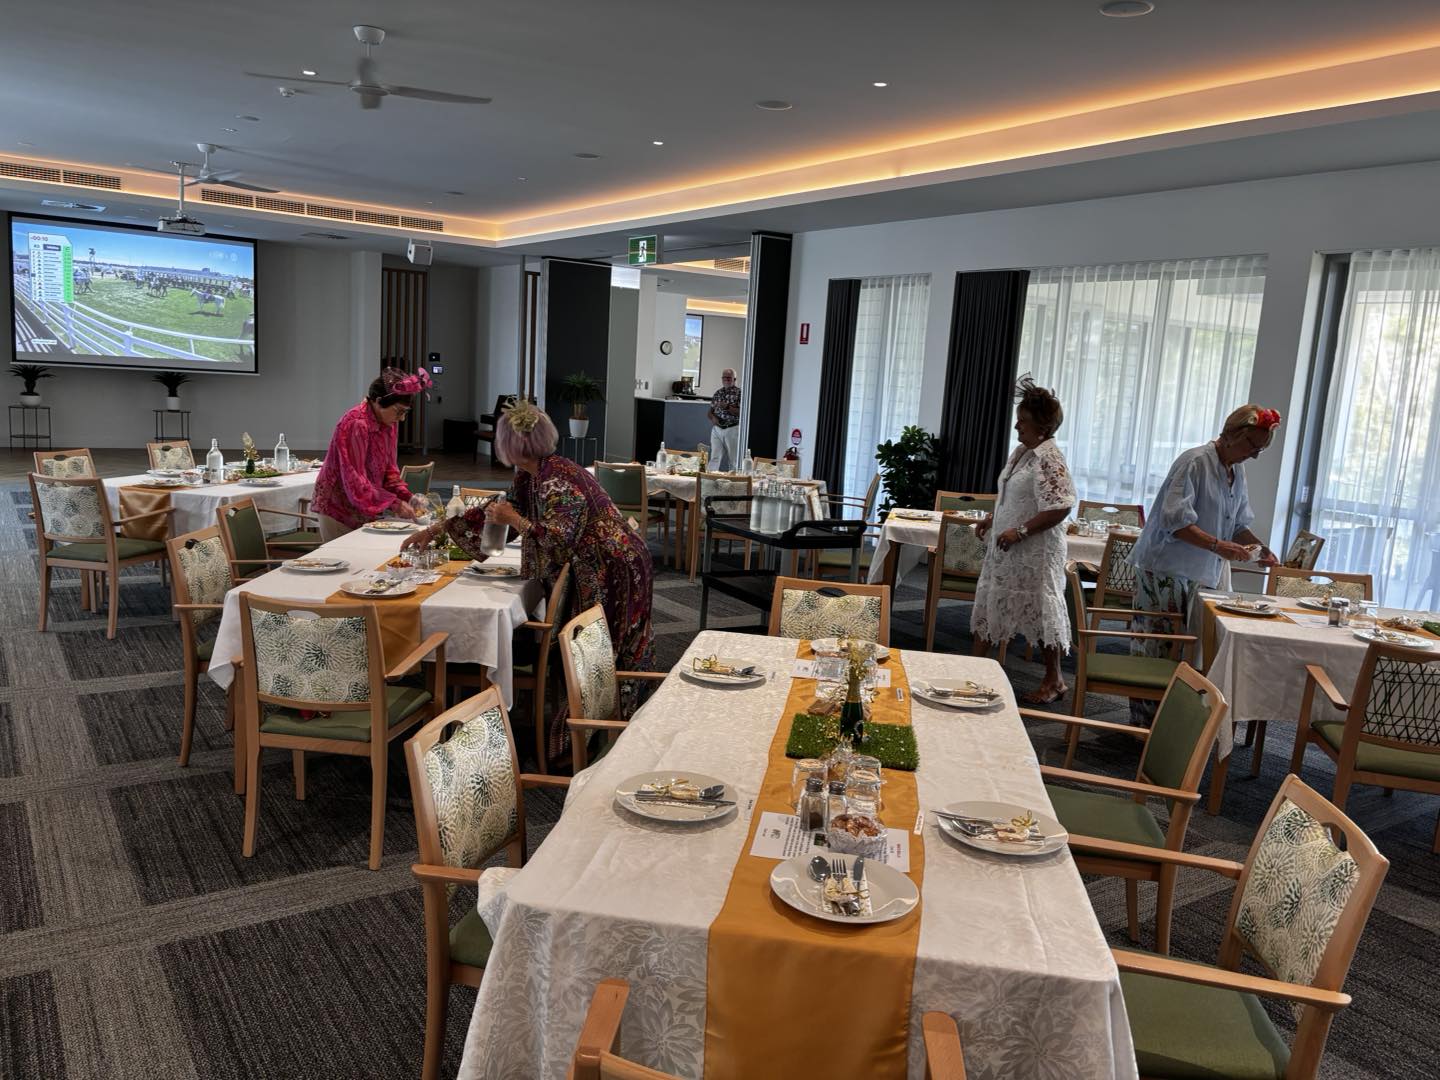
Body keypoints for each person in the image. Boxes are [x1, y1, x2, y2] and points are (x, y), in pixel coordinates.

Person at [403, 400, 656, 744]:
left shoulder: (556, 480)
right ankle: (600, 727)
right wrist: (436, 530)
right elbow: (495, 512)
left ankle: (615, 729)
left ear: (512, 443)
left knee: (608, 645)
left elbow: (558, 541)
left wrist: (515, 520)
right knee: (599, 646)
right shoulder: (533, 474)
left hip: (615, 565)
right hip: (601, 561)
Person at [1127, 404, 1282, 722]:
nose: (1254, 455)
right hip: (1166, 568)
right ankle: (1145, 728)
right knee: (1159, 649)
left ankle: (1176, 726)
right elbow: (1175, 522)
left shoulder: (1236, 471)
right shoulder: (1195, 462)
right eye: (1252, 446)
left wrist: (1260, 547)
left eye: (1260, 450)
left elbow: (1237, 524)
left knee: (1191, 649)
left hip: (1200, 572)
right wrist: (1217, 545)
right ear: (1231, 434)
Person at [972, 378, 1077, 704]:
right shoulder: (1022, 452)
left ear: (1042, 427)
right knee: (994, 598)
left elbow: (1061, 506)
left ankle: (1054, 679)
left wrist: (1020, 531)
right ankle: (974, 670)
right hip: (1008, 548)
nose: (1017, 425)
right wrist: (994, 518)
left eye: (1023, 420)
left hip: (1035, 550)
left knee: (1040, 608)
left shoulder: (1049, 457)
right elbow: (1014, 496)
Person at [310, 367, 431, 541]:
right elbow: (354, 480)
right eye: (399, 411)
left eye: (405, 412)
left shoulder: (389, 424)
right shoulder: (356, 423)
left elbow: (390, 471)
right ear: (379, 401)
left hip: (364, 505)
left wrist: (408, 496)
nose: (402, 418)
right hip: (338, 508)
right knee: (343, 555)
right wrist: (395, 504)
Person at [707, 368, 741, 471]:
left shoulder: (739, 393)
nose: (726, 380)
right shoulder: (718, 393)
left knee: (733, 460)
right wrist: (713, 418)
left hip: (732, 428)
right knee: (714, 458)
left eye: (729, 378)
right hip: (717, 429)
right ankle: (710, 479)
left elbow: (742, 413)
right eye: (724, 377)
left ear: (734, 379)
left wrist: (727, 407)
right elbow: (710, 412)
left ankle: (734, 480)